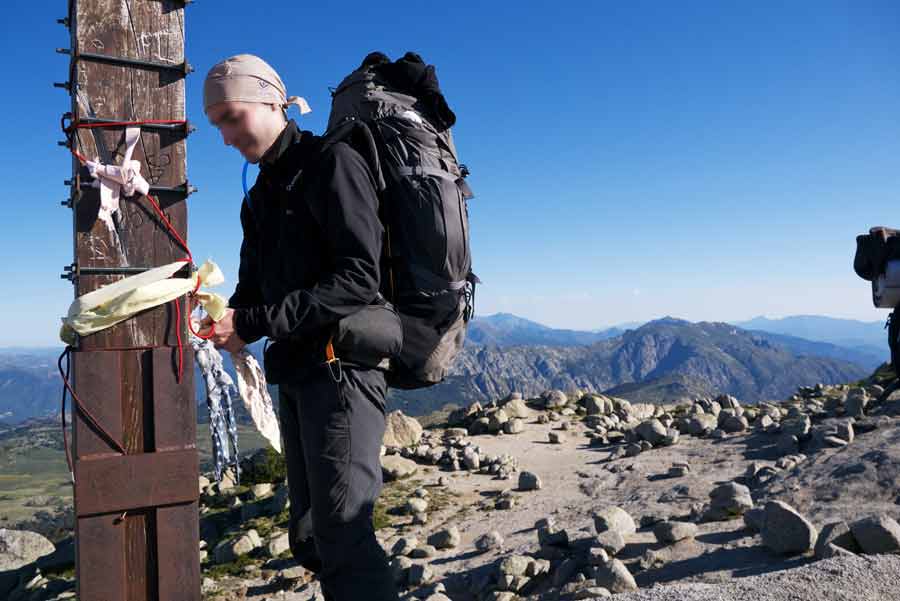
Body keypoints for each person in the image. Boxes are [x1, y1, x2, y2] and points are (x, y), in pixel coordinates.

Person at [200, 54, 401, 601]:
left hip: (342, 370)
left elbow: (359, 277)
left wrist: (256, 321)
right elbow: (253, 291)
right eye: (217, 123)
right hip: (295, 372)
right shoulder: (261, 193)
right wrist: (226, 318)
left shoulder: (331, 162)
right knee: (311, 535)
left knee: (342, 533)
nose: (225, 137)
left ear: (271, 100)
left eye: (231, 117)